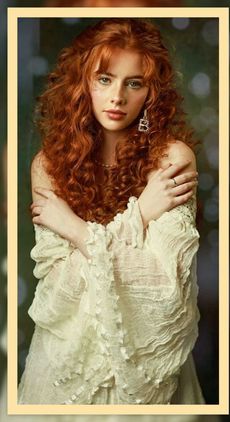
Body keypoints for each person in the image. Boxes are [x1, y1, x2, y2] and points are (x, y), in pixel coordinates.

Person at [18, 18, 203, 405]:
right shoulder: (47, 165)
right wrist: (142, 218)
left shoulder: (172, 160)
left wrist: (75, 230)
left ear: (151, 94)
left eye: (133, 83)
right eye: (104, 79)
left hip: (149, 368)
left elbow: (162, 289)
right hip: (59, 367)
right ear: (83, 82)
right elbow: (56, 294)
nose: (117, 96)